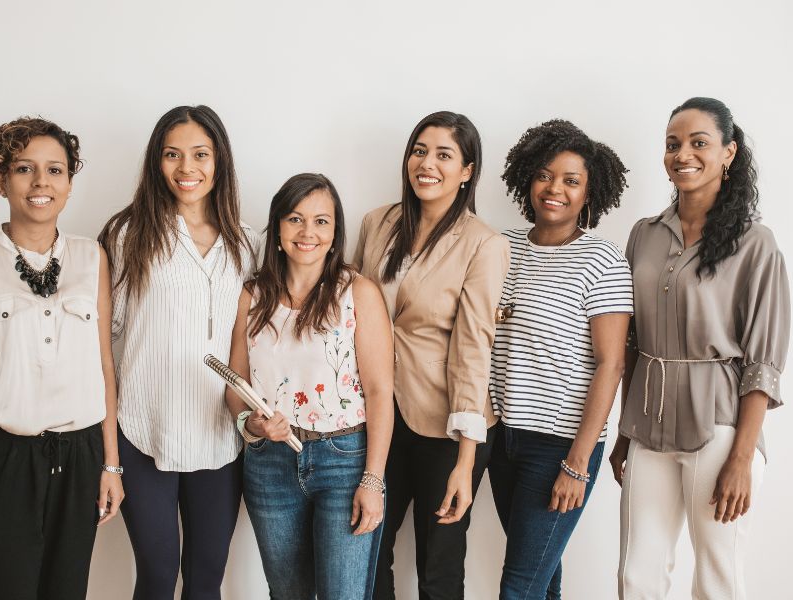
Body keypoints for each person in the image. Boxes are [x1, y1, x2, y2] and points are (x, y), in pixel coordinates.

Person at [609, 97, 790, 600]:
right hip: (646, 426)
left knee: (717, 576)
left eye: (698, 143)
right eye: (673, 144)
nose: (682, 154)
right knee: (635, 575)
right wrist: (625, 430)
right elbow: (633, 341)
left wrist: (742, 456)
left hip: (719, 429)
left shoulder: (755, 243)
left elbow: (764, 361)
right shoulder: (643, 234)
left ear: (728, 153)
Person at [0, 116, 123, 599]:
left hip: (79, 457)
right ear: (2, 179)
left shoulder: (92, 258)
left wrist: (110, 465)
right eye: (24, 168)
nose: (41, 183)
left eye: (55, 170)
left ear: (69, 183)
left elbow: (105, 366)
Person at [98, 105, 257, 599]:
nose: (187, 168)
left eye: (200, 154)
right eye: (172, 155)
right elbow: (102, 346)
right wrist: (109, 461)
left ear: (220, 161)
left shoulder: (248, 244)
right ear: (156, 163)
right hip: (144, 433)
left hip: (219, 439)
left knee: (207, 580)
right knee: (157, 576)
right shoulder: (128, 236)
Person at [352, 111, 508, 599]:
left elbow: (472, 347)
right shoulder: (377, 223)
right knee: (366, 550)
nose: (427, 163)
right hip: (377, 414)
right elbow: (351, 312)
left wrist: (465, 460)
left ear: (467, 172)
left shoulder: (484, 243)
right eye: (420, 150)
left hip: (447, 424)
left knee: (438, 567)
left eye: (444, 155)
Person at [225, 172, 394, 599]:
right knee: (288, 594)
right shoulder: (253, 294)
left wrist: (373, 481)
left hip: (345, 461)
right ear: (278, 228)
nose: (308, 233)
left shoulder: (358, 292)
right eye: (296, 219)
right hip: (269, 464)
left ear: (335, 233)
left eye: (322, 221)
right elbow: (235, 385)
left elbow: (379, 393)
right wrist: (254, 426)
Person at [488, 119, 632, 599]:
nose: (555, 189)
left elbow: (611, 365)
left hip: (559, 447)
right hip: (501, 438)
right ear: (528, 178)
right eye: (546, 175)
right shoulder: (500, 247)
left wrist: (577, 463)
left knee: (519, 587)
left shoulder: (603, 260)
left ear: (589, 194)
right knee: (541, 580)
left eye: (572, 181)